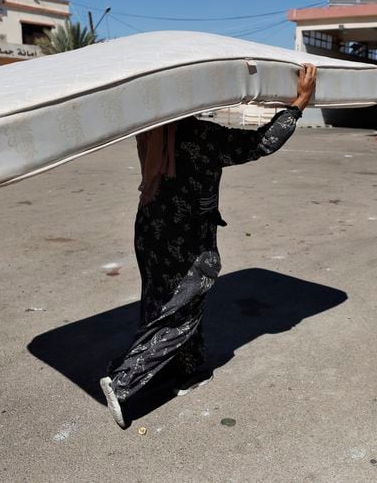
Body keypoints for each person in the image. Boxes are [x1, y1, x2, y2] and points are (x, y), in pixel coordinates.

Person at [99, 64, 318, 429]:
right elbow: (259, 143)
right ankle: (123, 381)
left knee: (165, 301)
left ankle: (188, 370)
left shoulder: (151, 132)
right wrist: (299, 103)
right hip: (186, 233)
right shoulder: (200, 134)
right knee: (184, 309)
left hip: (151, 226)